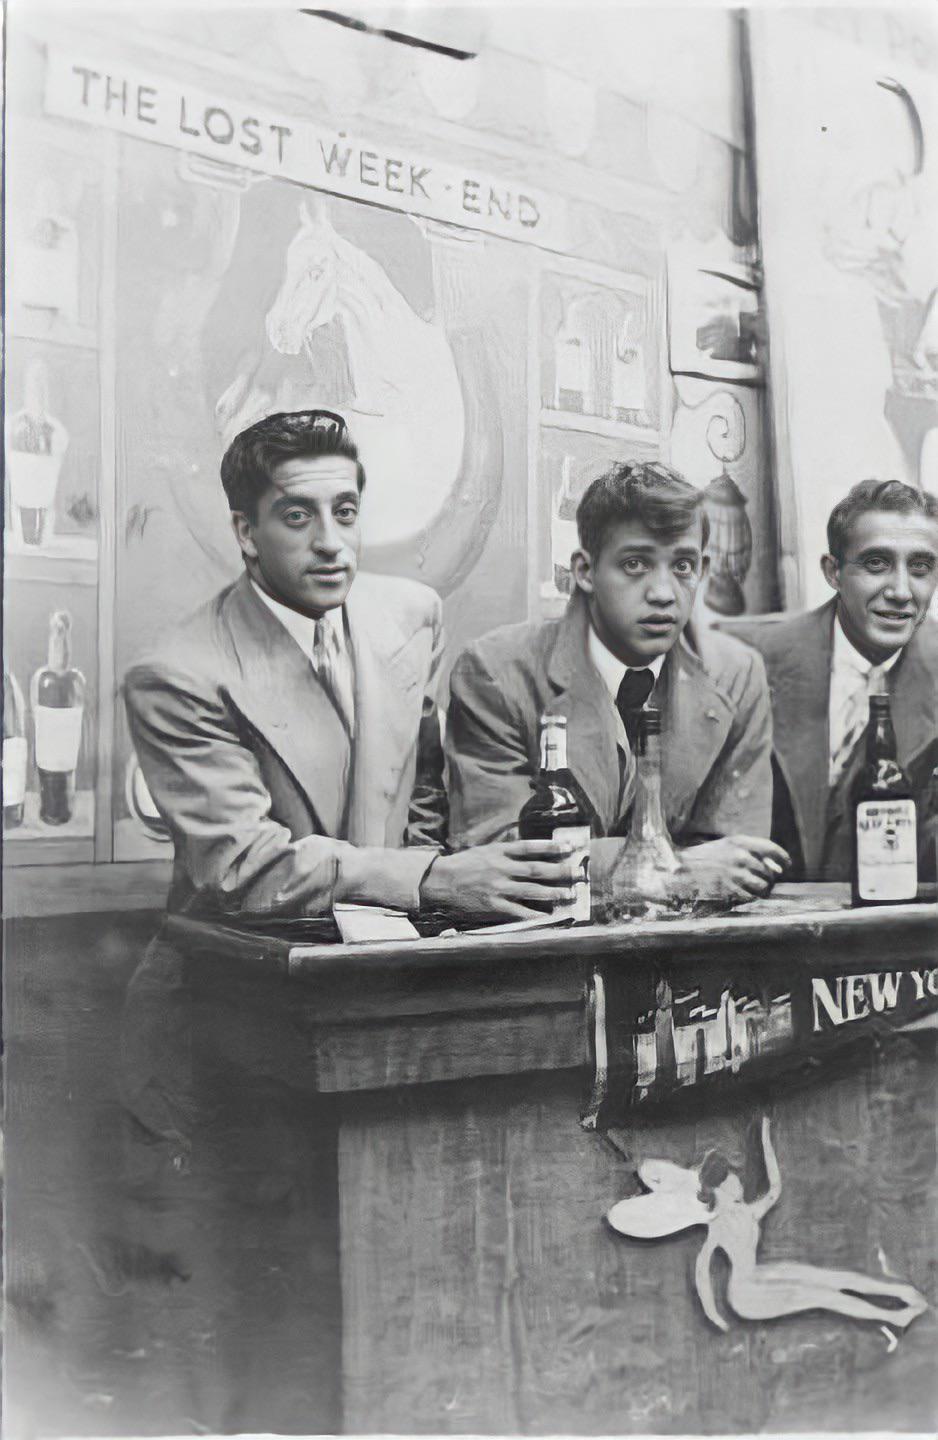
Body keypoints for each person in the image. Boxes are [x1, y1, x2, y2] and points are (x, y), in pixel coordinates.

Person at [124, 409, 580, 925]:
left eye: (345, 512)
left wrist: (417, 900)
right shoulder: (174, 674)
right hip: (236, 975)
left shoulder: (413, 617)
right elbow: (244, 867)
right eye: (298, 517)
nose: (330, 542)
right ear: (246, 532)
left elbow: (423, 792)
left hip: (387, 956)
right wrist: (429, 879)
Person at [446, 460, 787, 904]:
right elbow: (501, 859)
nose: (663, 592)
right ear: (585, 571)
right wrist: (675, 872)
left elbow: (736, 861)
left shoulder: (736, 676)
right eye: (635, 564)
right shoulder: (495, 673)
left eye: (682, 566)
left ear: (702, 568)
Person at [729, 479, 938, 880]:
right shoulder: (747, 662)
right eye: (876, 563)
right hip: (762, 929)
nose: (900, 591)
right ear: (834, 572)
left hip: (895, 933)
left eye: (920, 568)